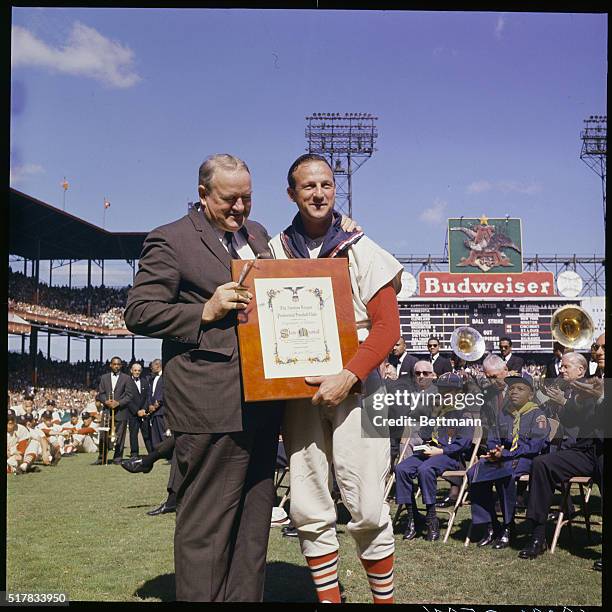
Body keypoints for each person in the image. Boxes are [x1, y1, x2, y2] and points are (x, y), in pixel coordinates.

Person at [124, 153, 283, 602]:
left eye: (247, 198)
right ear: (202, 194)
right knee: (206, 527)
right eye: (229, 199)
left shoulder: (259, 236)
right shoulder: (170, 239)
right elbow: (138, 311)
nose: (240, 208)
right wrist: (204, 311)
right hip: (210, 405)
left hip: (261, 401)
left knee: (253, 525)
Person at [268, 153, 403, 604]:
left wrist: (349, 374)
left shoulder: (360, 246)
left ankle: (384, 600)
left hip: (357, 388)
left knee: (365, 503)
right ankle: (330, 601)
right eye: (308, 186)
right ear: (292, 193)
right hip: (298, 392)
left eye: (326, 184)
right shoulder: (274, 249)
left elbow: (387, 328)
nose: (319, 193)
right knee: (307, 504)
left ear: (335, 189)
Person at [519, 338, 604, 569]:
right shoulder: (578, 387)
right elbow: (572, 419)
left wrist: (565, 402)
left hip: (603, 448)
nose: (561, 369)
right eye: (596, 348)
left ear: (581, 369)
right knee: (541, 464)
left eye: (566, 366)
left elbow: (590, 417)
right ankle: (537, 536)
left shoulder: (593, 384)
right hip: (585, 450)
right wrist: (559, 403)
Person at [467, 373, 549, 549]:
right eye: (511, 388)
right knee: (473, 472)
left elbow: (535, 446)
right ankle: (489, 524)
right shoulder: (503, 414)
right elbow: (493, 438)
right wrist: (495, 450)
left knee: (506, 474)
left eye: (520, 389)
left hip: (525, 460)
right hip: (502, 458)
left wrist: (506, 454)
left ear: (531, 394)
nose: (514, 392)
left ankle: (508, 526)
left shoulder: (537, 415)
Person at [394, 372, 475, 542]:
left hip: (449, 456)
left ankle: (431, 519)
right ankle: (413, 518)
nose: (444, 394)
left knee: (425, 469)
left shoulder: (464, 414)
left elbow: (464, 444)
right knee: (401, 468)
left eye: (449, 390)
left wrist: (441, 451)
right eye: (442, 390)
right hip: (430, 452)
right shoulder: (436, 410)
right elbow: (424, 433)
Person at [94, 356, 133, 465]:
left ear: (121, 365)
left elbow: (129, 395)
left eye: (118, 364)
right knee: (103, 434)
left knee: (120, 436)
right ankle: (102, 457)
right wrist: (105, 401)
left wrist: (118, 403)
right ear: (110, 365)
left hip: (121, 411)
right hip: (107, 411)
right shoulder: (104, 378)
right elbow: (100, 394)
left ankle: (118, 458)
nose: (116, 366)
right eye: (114, 364)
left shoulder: (127, 378)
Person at [127, 362, 152, 457]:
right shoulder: (127, 382)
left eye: (139, 370)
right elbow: (128, 398)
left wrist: (144, 410)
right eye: (135, 370)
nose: (137, 372)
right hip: (133, 413)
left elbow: (147, 396)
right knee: (133, 434)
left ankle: (151, 452)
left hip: (144, 412)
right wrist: (137, 411)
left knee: (147, 433)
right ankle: (134, 453)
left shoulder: (145, 381)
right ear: (131, 371)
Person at [147, 359, 166, 448]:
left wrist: (156, 405)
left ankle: (168, 453)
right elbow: (151, 393)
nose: (151, 368)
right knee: (155, 434)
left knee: (163, 433)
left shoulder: (165, 376)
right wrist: (150, 405)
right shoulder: (153, 378)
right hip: (154, 412)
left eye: (152, 366)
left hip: (161, 411)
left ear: (158, 365)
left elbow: (164, 392)